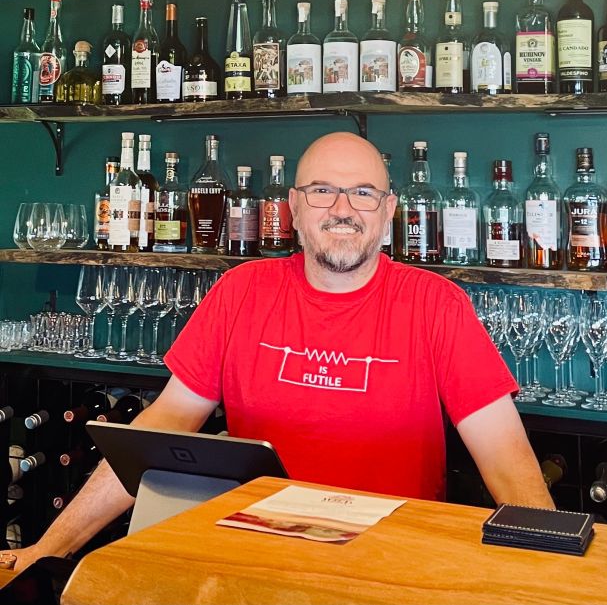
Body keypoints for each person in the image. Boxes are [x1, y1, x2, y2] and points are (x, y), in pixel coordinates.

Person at [7, 132, 552, 574]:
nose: (343, 209)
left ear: (388, 213)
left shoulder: (437, 305)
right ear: (292, 207)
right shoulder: (242, 290)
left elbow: (506, 457)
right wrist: (50, 548)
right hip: (251, 560)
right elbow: (162, 427)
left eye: (363, 193)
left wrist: (555, 570)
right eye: (321, 191)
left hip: (392, 564)